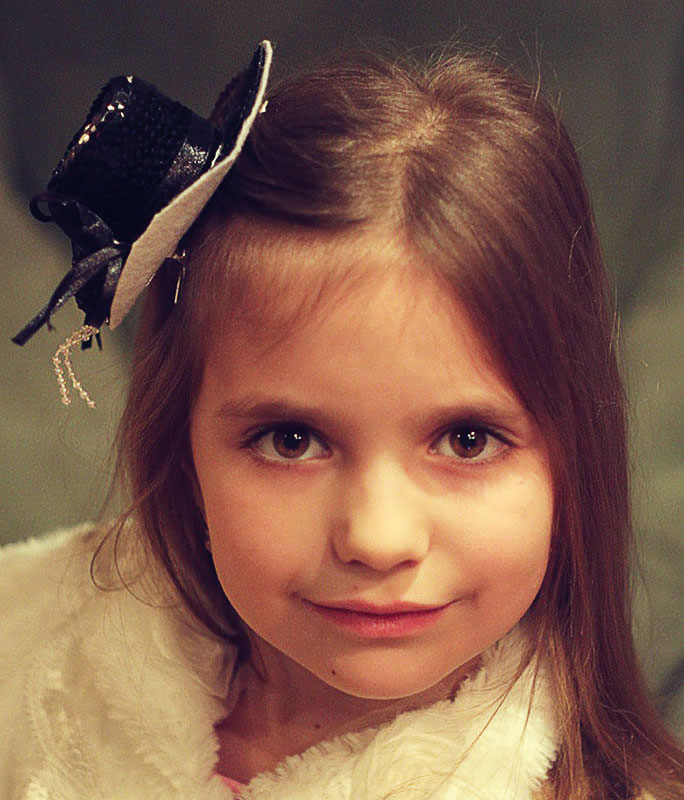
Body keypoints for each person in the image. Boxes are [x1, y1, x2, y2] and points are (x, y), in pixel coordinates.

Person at [1, 40, 682, 800]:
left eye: (467, 440)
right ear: (181, 450)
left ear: (572, 459)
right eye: (292, 441)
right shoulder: (23, 654)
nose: (377, 540)